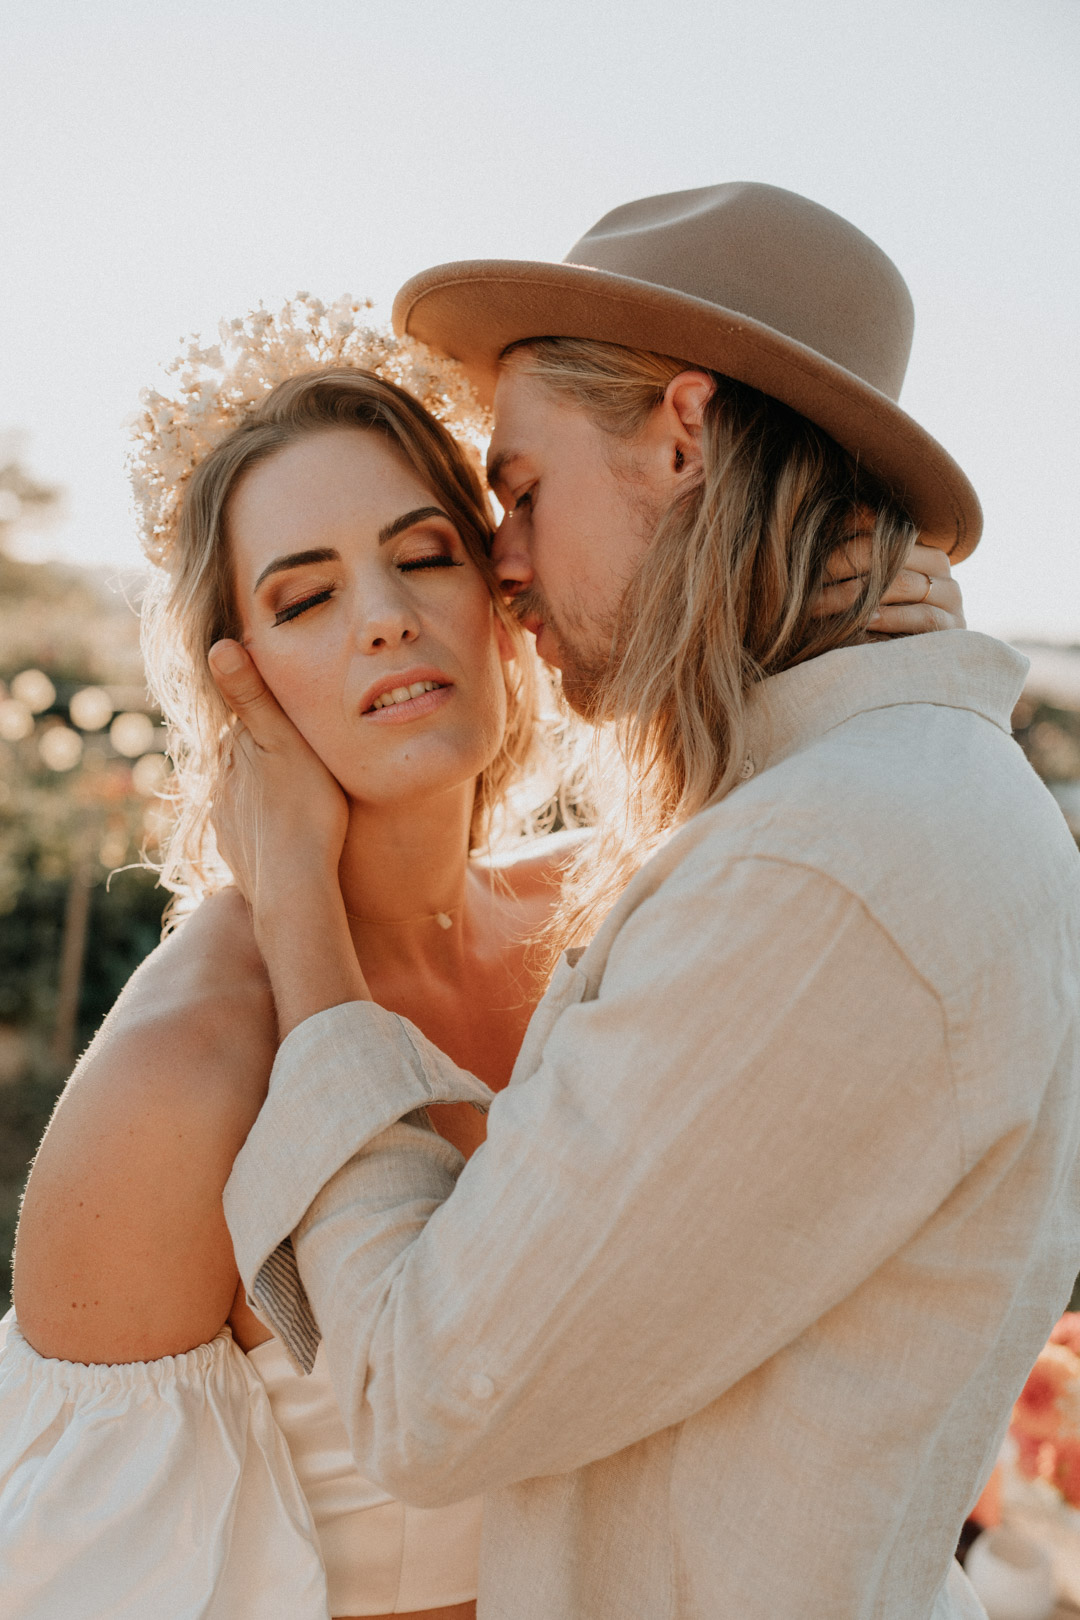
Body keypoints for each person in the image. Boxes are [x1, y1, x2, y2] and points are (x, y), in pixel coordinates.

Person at [208, 184, 1080, 1620]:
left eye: (523, 491)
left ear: (682, 438)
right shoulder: (879, 798)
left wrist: (293, 900)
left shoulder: (825, 868)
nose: (500, 562)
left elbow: (424, 1397)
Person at [0, 308, 954, 1620]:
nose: (385, 620)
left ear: (508, 598)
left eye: (422, 558)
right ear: (237, 682)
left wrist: (875, 627)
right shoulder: (176, 1085)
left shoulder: (626, 910)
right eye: (306, 597)